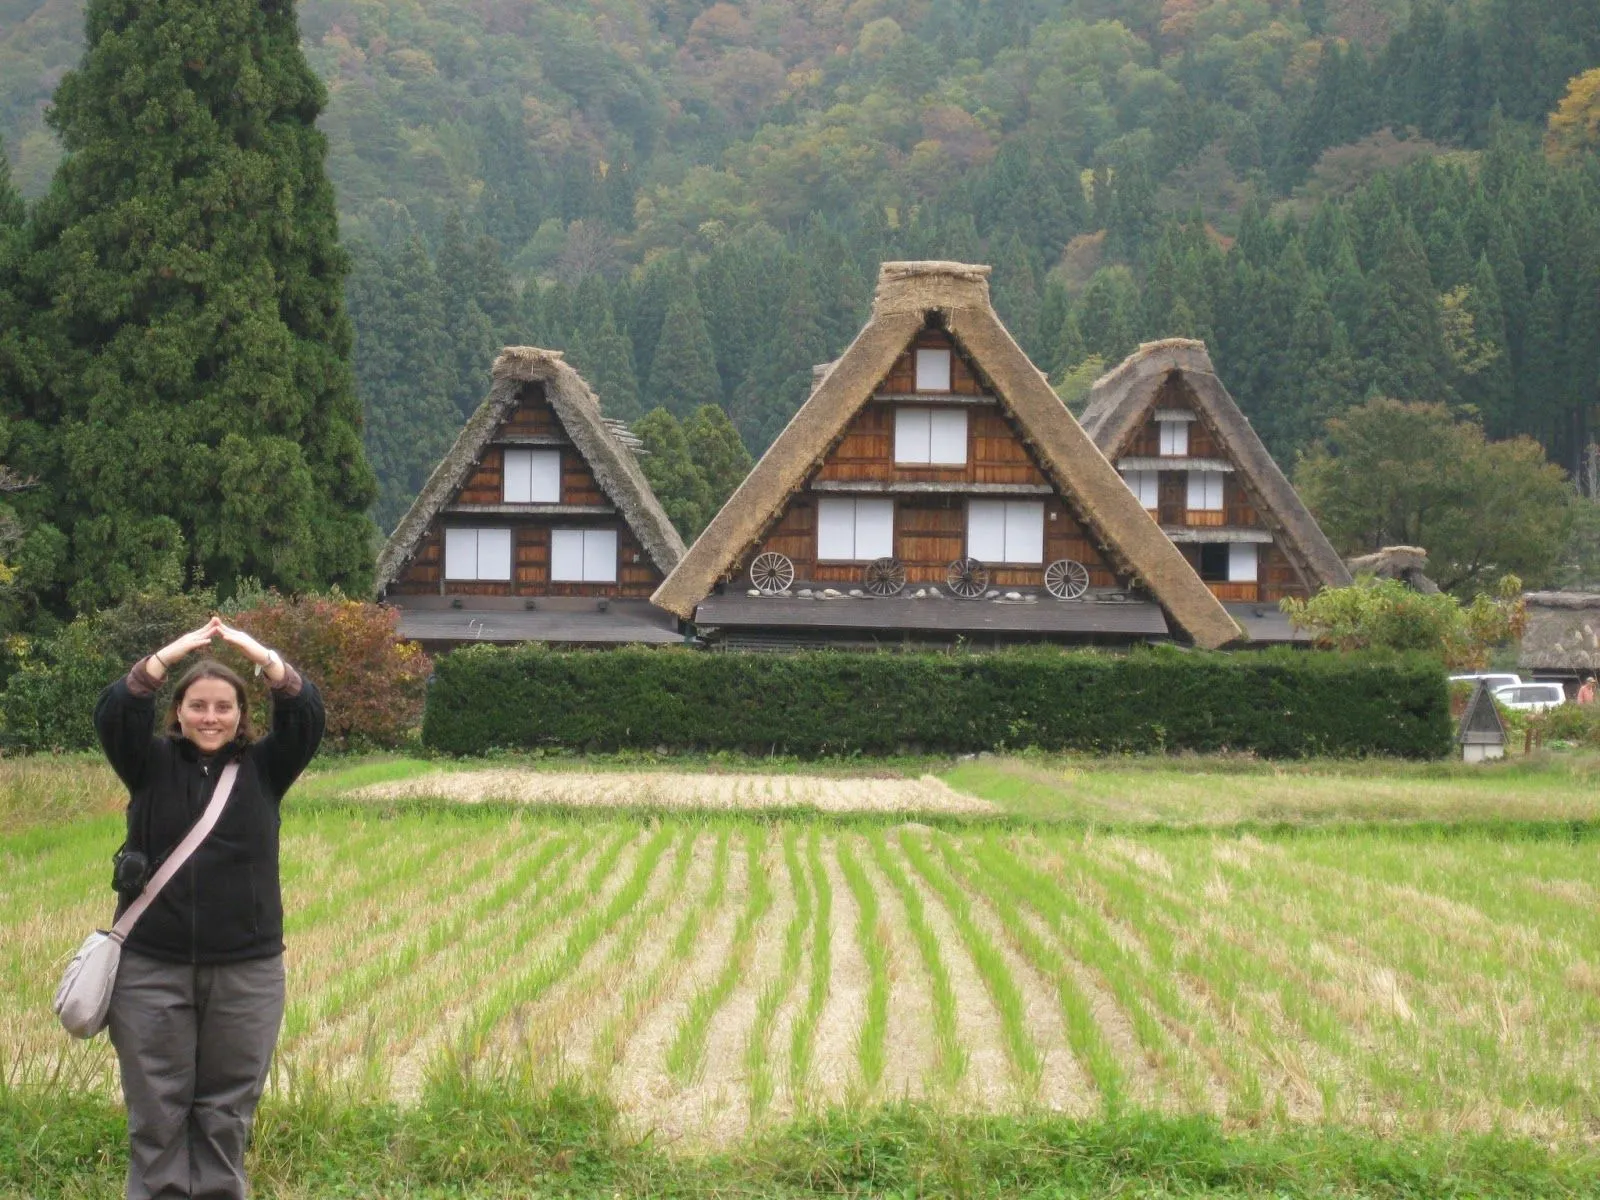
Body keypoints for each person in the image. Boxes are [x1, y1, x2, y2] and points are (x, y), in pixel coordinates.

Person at [93, 616, 324, 1200]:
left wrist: (262, 656)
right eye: (198, 705)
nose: (212, 717)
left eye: (225, 707)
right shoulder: (147, 766)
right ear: (178, 712)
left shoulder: (266, 770)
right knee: (157, 1111)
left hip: (246, 972)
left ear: (242, 716)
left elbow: (306, 716)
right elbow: (116, 711)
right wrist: (168, 655)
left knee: (226, 1114)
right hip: (151, 970)